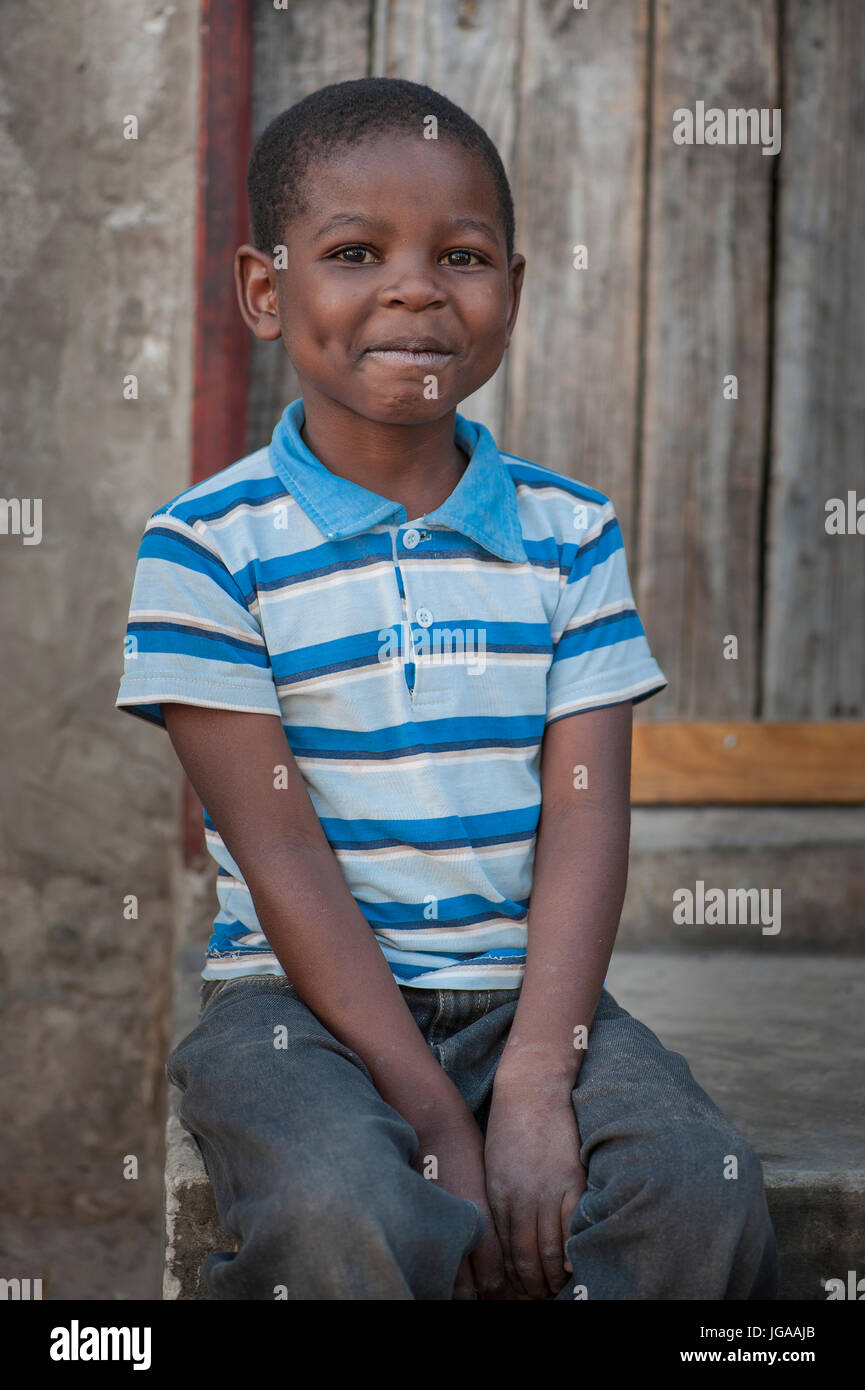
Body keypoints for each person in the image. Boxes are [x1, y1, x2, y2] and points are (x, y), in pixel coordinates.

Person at [116, 77, 779, 1301]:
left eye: (461, 255)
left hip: (527, 999)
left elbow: (585, 813)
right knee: (337, 1209)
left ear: (511, 294)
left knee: (699, 1188)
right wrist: (434, 1114)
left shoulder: (568, 532)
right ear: (267, 292)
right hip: (291, 1008)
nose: (416, 287)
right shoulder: (207, 547)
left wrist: (533, 1078)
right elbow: (280, 851)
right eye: (356, 251)